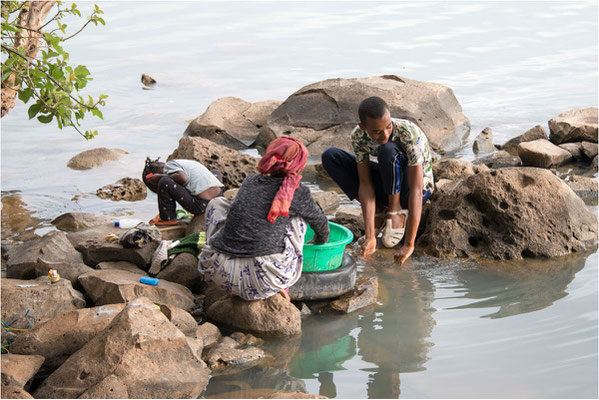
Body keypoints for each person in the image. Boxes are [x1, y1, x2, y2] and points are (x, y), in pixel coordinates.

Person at [197, 137, 330, 301]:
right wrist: (319, 242)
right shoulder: (298, 192)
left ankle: (234, 287)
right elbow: (321, 225)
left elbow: (241, 215)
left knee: (217, 203)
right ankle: (282, 287)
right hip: (265, 280)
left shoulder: (250, 181)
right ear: (298, 165)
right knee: (298, 220)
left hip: (221, 273)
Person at [321, 96, 434, 264]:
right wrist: (370, 236)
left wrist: (409, 245)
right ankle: (380, 210)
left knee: (387, 149)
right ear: (363, 127)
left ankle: (396, 210)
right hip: (389, 182)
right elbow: (365, 183)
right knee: (331, 156)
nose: (385, 134)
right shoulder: (358, 136)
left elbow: (417, 190)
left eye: (388, 127)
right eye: (377, 131)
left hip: (414, 189)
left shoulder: (408, 133)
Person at [142, 157, 224, 226]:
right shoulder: (180, 163)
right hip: (219, 196)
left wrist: (159, 178)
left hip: (202, 205)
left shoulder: (169, 167)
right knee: (215, 172)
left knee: (164, 182)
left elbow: (182, 178)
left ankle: (167, 219)